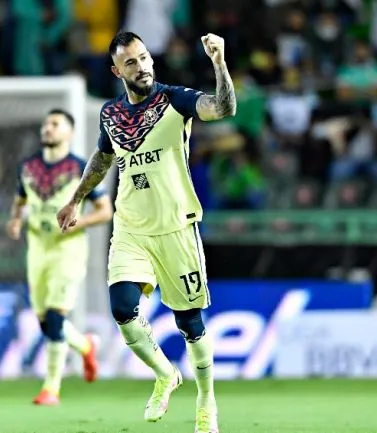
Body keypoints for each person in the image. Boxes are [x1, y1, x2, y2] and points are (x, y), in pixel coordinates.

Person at [56, 31, 236, 433]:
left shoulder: (175, 100)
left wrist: (219, 62)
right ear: (116, 70)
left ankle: (206, 401)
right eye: (132, 62)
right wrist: (76, 199)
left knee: (190, 323)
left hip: (175, 227)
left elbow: (222, 107)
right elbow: (102, 159)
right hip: (131, 227)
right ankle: (165, 374)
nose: (142, 67)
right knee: (122, 308)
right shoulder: (111, 115)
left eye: (145, 58)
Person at [6, 108, 114, 405]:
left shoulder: (82, 168)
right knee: (44, 321)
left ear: (69, 132)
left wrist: (78, 222)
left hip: (68, 248)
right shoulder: (27, 166)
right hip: (36, 247)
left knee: (55, 315)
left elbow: (105, 211)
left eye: (55, 124)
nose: (47, 128)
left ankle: (51, 388)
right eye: (45, 123)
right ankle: (85, 345)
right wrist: (15, 220)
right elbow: (20, 200)